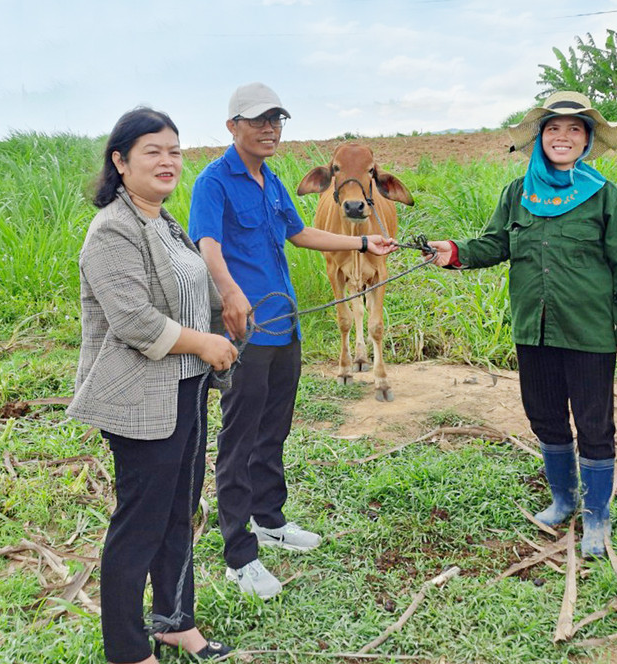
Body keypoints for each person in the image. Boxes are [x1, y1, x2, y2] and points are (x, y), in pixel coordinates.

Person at [188, 82, 396, 598]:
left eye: (276, 120)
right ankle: (239, 554)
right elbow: (207, 243)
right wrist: (230, 293)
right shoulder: (215, 180)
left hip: (286, 324)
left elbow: (300, 234)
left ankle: (270, 519)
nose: (268, 129)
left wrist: (364, 240)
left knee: (274, 425)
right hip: (244, 326)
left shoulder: (273, 181)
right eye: (257, 120)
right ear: (232, 126)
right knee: (239, 437)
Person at [426, 91, 617, 557]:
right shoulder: (518, 194)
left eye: (574, 129)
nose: (563, 137)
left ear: (587, 140)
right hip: (535, 329)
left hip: (589, 331)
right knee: (544, 416)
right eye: (554, 128)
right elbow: (494, 244)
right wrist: (453, 252)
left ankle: (596, 517)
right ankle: (563, 499)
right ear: (539, 139)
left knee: (594, 424)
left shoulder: (605, 197)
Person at [66, 108, 237, 663]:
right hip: (140, 398)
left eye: (175, 151)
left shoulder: (164, 223)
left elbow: (192, 292)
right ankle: (125, 647)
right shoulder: (112, 229)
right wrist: (204, 343)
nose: (168, 161)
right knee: (139, 522)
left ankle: (175, 623)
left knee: (179, 511)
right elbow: (136, 321)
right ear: (120, 162)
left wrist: (227, 311)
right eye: (152, 151)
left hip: (184, 390)